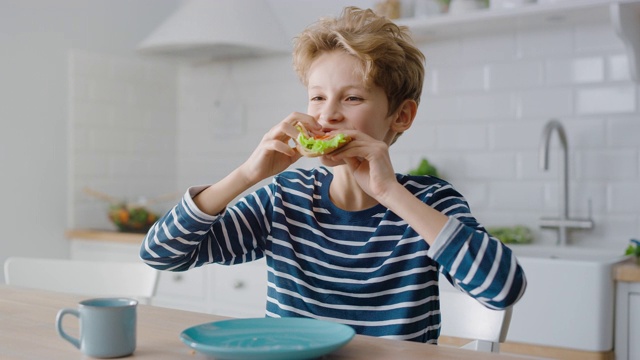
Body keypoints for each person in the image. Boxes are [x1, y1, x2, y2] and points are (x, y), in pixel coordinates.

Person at [140, 6, 526, 344]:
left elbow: (503, 289)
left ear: (401, 116)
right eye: (317, 97)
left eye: (353, 98)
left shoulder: (429, 202)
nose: (327, 116)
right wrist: (247, 174)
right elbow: (160, 254)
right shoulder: (285, 197)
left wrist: (391, 193)